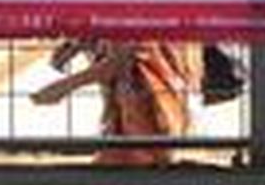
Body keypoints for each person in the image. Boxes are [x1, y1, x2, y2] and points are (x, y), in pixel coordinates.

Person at [31, 39, 199, 166]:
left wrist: (64, 87)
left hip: (144, 103)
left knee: (138, 165)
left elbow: (119, 60)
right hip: (136, 104)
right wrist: (78, 43)